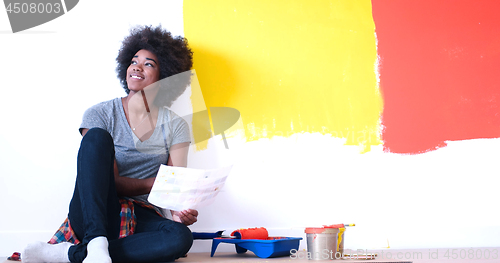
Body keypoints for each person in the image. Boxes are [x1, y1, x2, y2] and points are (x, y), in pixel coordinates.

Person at [22, 25, 198, 263]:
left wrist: (180, 212)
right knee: (96, 137)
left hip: (142, 214)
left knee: (180, 237)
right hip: (96, 211)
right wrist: (155, 183)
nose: (137, 66)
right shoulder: (100, 114)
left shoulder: (176, 126)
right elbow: (110, 184)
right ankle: (95, 242)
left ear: (165, 76)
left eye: (149, 63)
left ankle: (71, 254)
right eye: (134, 60)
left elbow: (174, 188)